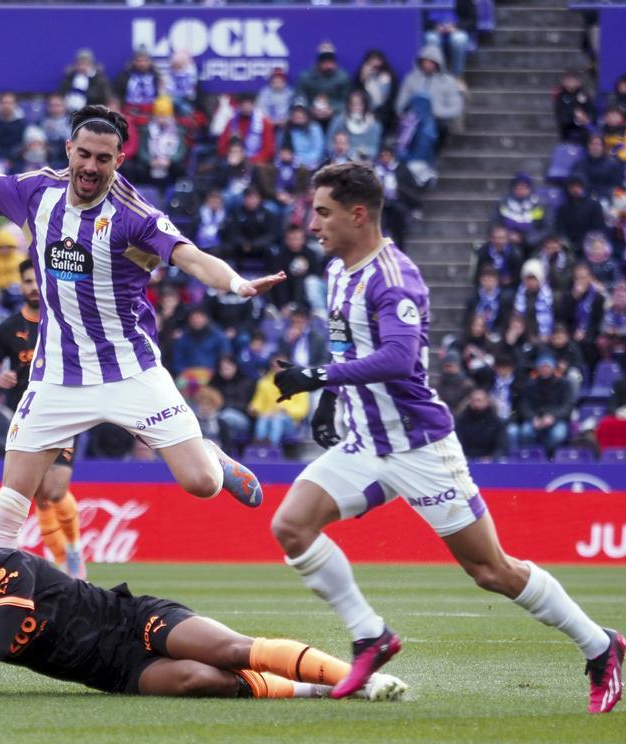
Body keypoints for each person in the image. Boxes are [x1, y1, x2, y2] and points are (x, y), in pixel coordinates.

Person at [0, 51, 284, 680]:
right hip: (56, 380)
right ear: (69, 150)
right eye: (83, 154)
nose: (91, 167)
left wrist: (233, 284)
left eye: (104, 158)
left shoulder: (133, 217)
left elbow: (190, 255)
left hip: (130, 373)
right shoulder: (35, 194)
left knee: (200, 485)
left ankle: (214, 458)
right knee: (9, 510)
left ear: (119, 161)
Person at [267, 161, 623, 712]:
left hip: (420, 447)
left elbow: (398, 358)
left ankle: (601, 647)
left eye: (323, 212)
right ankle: (371, 636)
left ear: (357, 214)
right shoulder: (339, 271)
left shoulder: (395, 277)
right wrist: (333, 401)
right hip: (365, 442)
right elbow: (349, 348)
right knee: (291, 525)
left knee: (491, 571)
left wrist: (318, 377)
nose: (313, 224)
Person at [0, 527, 408, 701]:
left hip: (131, 621)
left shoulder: (11, 566)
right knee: (201, 682)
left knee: (225, 649)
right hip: (111, 672)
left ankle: (360, 676)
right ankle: (314, 691)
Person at [0, 260, 85, 579]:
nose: (32, 287)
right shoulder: (8, 329)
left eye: (36, 281)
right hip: (25, 418)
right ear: (21, 286)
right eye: (26, 281)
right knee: (38, 495)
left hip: (65, 412)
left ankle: (74, 551)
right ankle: (64, 568)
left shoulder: (66, 321)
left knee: (55, 489)